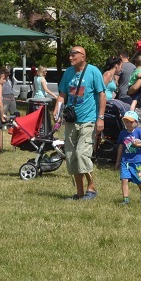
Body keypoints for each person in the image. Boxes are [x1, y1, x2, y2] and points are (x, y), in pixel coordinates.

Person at [53, 46, 106, 200]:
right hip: (71, 121)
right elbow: (62, 94)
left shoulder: (93, 71)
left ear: (83, 56)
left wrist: (100, 117)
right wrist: (57, 111)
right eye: (69, 54)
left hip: (88, 120)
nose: (70, 57)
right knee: (71, 156)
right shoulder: (68, 73)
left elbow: (102, 95)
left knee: (82, 153)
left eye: (74, 54)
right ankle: (80, 192)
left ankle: (92, 187)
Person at [115, 110, 141, 206]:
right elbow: (121, 147)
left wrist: (138, 145)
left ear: (136, 122)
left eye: (131, 122)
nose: (128, 124)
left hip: (137, 161)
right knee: (124, 179)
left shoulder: (138, 132)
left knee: (138, 180)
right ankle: (125, 199)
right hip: (125, 161)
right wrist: (118, 160)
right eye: (126, 122)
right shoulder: (123, 133)